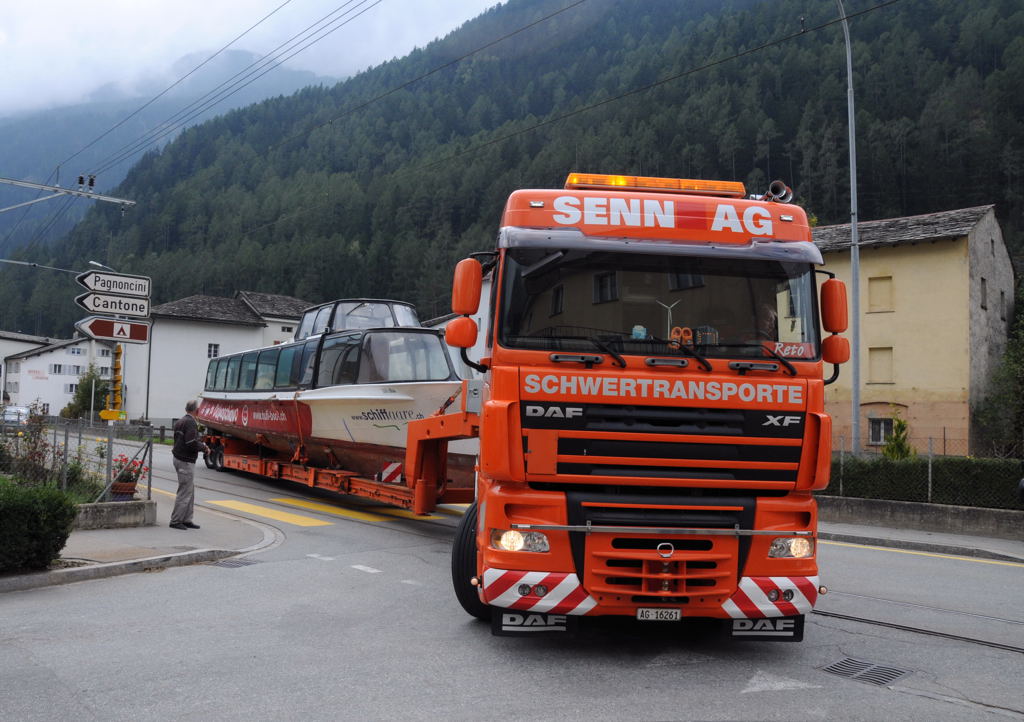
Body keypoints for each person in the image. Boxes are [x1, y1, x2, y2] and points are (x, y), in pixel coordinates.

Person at [170, 400, 208, 530]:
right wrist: (204, 447)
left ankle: (186, 519)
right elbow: (191, 442)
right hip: (185, 461)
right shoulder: (191, 422)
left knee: (189, 490)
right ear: (197, 410)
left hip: (179, 457)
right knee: (185, 491)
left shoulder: (180, 421)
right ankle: (176, 520)